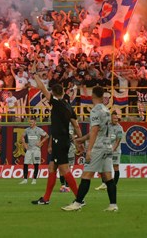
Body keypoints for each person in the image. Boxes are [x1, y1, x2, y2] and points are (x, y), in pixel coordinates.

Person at [62, 86, 118, 212]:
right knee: (108, 177)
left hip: (98, 147)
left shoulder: (95, 111)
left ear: (93, 95)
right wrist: (82, 139)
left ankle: (78, 202)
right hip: (107, 146)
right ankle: (113, 205)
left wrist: (89, 149)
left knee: (86, 174)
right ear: (102, 95)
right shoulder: (106, 110)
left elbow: (94, 130)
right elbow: (99, 131)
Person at [31, 74, 83, 205]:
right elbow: (76, 125)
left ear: (53, 93)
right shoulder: (68, 106)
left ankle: (79, 198)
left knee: (64, 169)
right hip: (62, 140)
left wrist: (35, 74)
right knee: (52, 167)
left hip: (59, 140)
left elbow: (42, 87)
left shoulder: (56, 103)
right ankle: (46, 198)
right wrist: (80, 142)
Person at [95, 110, 123, 190]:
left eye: (117, 118)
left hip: (115, 151)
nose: (116, 120)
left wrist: (113, 149)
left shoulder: (119, 128)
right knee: (103, 167)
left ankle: (114, 185)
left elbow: (118, 140)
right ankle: (104, 184)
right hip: (106, 149)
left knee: (115, 167)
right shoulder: (108, 126)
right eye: (114, 118)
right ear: (111, 118)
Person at [20, 118, 48, 185]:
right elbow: (22, 136)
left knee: (36, 164)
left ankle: (34, 179)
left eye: (32, 122)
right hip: (29, 149)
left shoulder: (39, 130)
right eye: (30, 122)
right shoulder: (27, 130)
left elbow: (47, 136)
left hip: (36, 149)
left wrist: (41, 142)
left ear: (35, 122)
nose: (30, 124)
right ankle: (25, 179)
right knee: (25, 163)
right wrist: (24, 144)